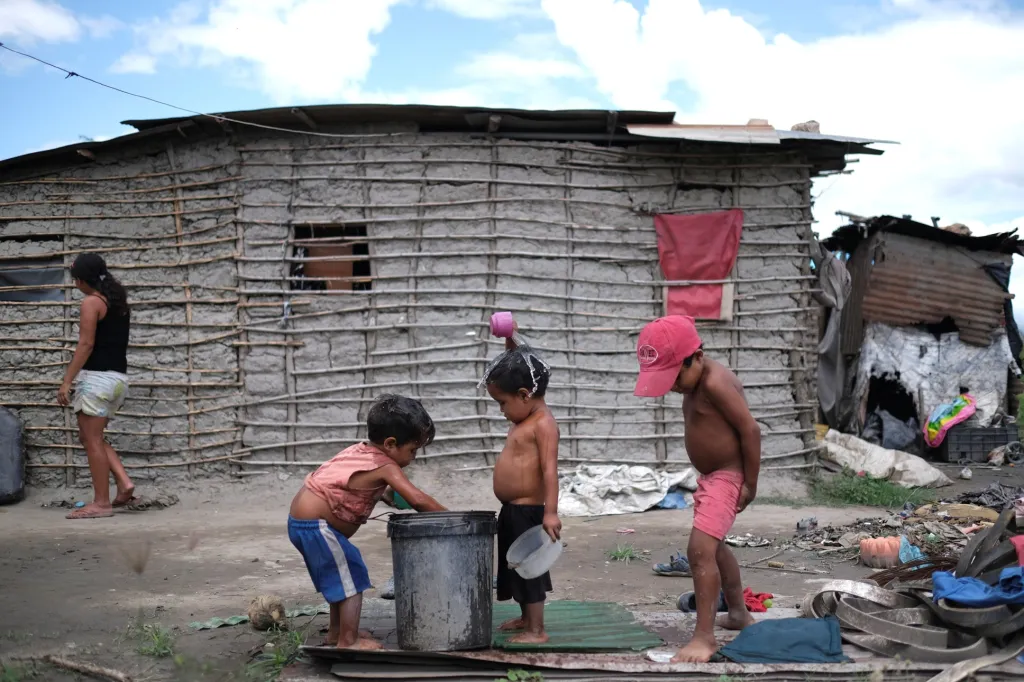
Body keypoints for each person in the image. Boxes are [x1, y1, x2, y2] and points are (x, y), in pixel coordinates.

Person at [633, 315, 761, 663]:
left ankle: (704, 637)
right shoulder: (695, 381)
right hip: (712, 477)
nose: (673, 386)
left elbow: (751, 431)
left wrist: (750, 483)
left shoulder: (716, 383)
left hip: (727, 475)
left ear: (697, 356)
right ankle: (737, 613)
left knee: (699, 552)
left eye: (675, 376)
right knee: (715, 549)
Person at [288, 394, 447, 650]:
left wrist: (384, 495)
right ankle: (347, 641)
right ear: (391, 443)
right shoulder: (386, 466)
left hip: (304, 523)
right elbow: (418, 500)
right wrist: (454, 518)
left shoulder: (359, 451)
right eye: (413, 450)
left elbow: (350, 482)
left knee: (341, 578)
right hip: (316, 526)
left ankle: (337, 633)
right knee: (352, 576)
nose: (414, 457)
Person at [483, 324, 561, 644]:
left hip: (530, 512)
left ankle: (536, 629)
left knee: (531, 570)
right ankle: (525, 617)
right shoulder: (524, 415)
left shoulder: (543, 424)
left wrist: (551, 513)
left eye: (502, 403)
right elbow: (519, 363)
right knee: (514, 566)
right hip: (512, 510)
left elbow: (550, 471)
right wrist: (509, 337)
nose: (502, 411)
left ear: (524, 395)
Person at [58, 253, 134, 520]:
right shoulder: (117, 302)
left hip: (96, 381)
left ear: (81, 280)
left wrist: (67, 380)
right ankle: (124, 484)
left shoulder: (91, 302)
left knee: (91, 440)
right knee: (95, 438)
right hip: (117, 381)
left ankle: (101, 503)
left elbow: (86, 344)